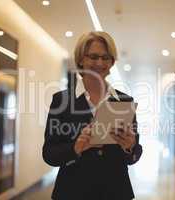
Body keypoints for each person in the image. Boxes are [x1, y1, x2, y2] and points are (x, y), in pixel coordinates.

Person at [42, 31, 143, 200]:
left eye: (105, 57)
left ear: (112, 62)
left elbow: (134, 154)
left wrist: (130, 146)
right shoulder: (62, 101)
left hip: (116, 192)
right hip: (72, 192)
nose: (100, 63)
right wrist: (76, 147)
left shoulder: (124, 101)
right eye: (93, 57)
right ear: (81, 59)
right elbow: (49, 154)